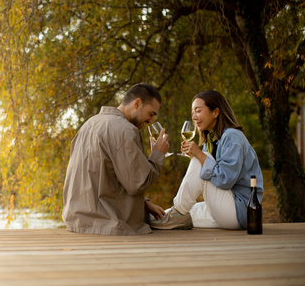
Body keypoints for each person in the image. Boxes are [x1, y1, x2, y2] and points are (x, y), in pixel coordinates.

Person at [62, 83, 169, 235]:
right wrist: (158, 154)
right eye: (151, 114)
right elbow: (137, 183)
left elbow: (104, 177)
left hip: (77, 223)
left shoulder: (89, 124)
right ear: (137, 103)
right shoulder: (125, 130)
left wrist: (144, 203)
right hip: (109, 226)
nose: (151, 121)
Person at [150, 90, 264, 230]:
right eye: (192, 112)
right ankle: (160, 215)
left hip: (241, 209)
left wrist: (199, 156)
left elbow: (225, 180)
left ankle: (178, 212)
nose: (194, 117)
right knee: (181, 213)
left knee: (181, 210)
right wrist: (197, 156)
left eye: (198, 111)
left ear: (215, 112)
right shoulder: (212, 139)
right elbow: (211, 171)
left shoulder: (232, 137)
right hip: (226, 209)